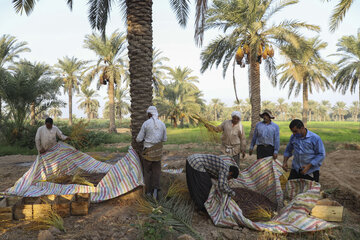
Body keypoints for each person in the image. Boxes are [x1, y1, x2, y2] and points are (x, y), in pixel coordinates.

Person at [136, 106, 167, 199]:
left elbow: (138, 139)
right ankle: (156, 191)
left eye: (147, 114)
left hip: (148, 152)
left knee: (147, 171)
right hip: (158, 153)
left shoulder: (146, 124)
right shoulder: (162, 124)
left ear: (149, 114)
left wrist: (145, 139)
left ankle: (148, 192)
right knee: (156, 172)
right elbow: (165, 139)